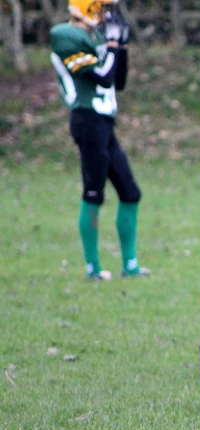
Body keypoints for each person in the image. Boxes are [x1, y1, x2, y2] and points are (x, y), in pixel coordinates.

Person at [50, 0, 150, 281]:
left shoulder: (94, 36)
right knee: (94, 192)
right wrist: (113, 46)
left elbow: (119, 81)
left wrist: (122, 46)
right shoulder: (65, 35)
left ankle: (129, 265)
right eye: (101, 7)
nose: (105, 14)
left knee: (131, 193)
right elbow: (102, 78)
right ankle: (92, 268)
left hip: (105, 123)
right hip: (87, 120)